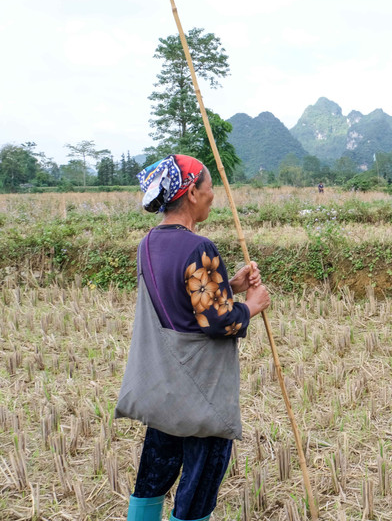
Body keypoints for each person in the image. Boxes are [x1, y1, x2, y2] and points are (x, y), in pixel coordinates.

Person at [116, 155, 270, 521]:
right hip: (200, 390)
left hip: (163, 386)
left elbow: (179, 302)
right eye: (208, 186)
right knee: (198, 488)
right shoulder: (198, 247)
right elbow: (219, 323)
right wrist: (252, 304)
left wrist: (227, 287)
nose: (213, 194)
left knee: (153, 476)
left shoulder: (148, 243)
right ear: (191, 194)